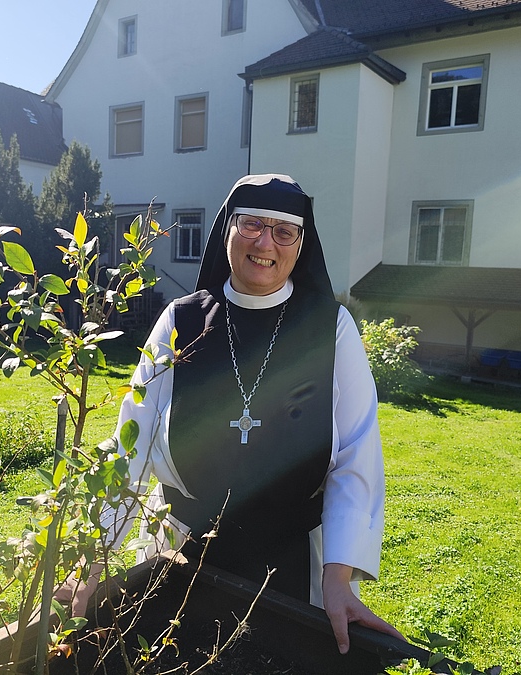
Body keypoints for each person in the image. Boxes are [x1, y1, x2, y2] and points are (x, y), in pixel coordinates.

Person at [74, 174, 402, 654]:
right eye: (252, 225)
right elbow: (132, 443)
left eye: (283, 231)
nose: (265, 243)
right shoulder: (182, 320)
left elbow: (357, 454)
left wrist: (337, 580)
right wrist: (89, 568)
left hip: (293, 557)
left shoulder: (329, 326)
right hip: (182, 546)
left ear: (300, 245)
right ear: (228, 229)